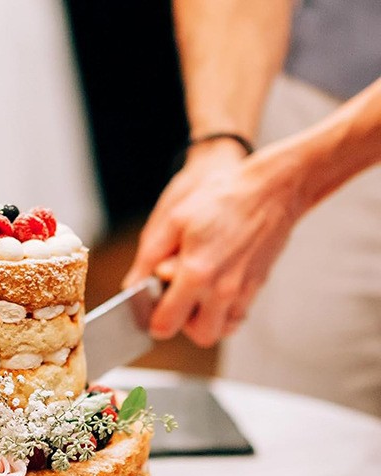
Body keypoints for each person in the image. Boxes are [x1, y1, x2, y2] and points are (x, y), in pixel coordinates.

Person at [123, 0, 381, 417]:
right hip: (317, 105)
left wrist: (295, 183)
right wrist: (220, 144)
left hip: (313, 156)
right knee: (290, 424)